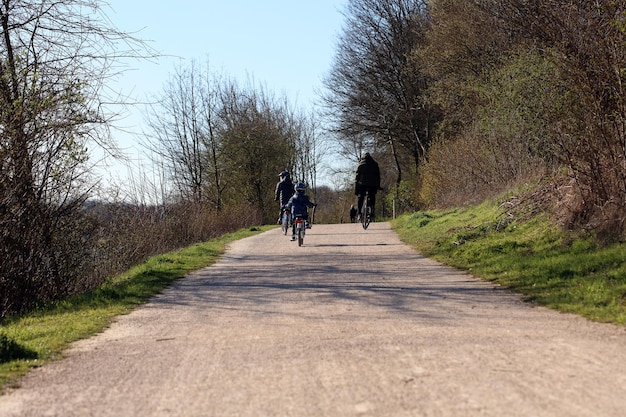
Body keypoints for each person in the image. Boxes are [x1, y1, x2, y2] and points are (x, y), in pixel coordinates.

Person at [354, 152, 381, 219]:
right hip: (372, 184)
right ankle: (372, 210)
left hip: (362, 184)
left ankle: (359, 213)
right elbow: (378, 176)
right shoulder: (375, 164)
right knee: (372, 196)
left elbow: (357, 177)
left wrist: (356, 189)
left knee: (360, 197)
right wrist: (378, 186)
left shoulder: (361, 164)